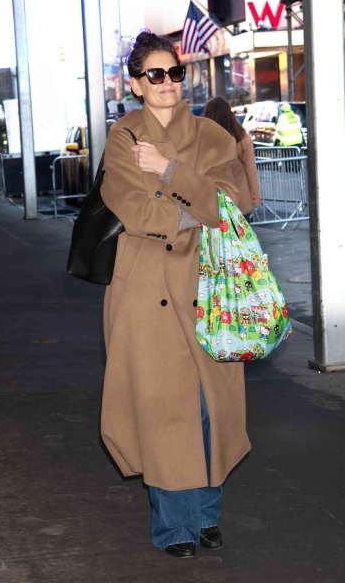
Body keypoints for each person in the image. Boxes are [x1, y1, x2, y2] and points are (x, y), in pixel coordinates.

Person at [100, 31, 251, 559]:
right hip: (145, 296)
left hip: (209, 289)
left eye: (174, 73)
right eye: (155, 75)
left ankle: (207, 516)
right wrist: (195, 208)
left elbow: (235, 202)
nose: (167, 84)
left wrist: (166, 172)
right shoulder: (122, 138)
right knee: (163, 412)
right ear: (137, 84)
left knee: (212, 410)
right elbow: (133, 211)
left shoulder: (211, 135)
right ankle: (175, 528)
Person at [203, 97, 260, 222]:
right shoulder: (242, 138)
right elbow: (251, 171)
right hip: (240, 203)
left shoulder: (201, 139)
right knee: (242, 240)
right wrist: (255, 199)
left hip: (210, 204)